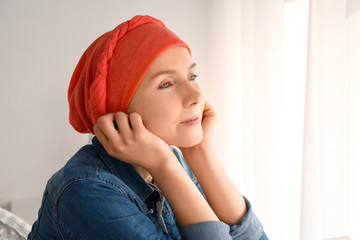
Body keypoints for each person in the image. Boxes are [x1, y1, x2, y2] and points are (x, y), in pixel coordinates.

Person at [28, 15, 268, 240]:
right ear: (119, 111)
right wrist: (164, 165)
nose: (195, 96)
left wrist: (201, 152)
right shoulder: (85, 191)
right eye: (166, 84)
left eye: (192, 76)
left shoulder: (173, 160)